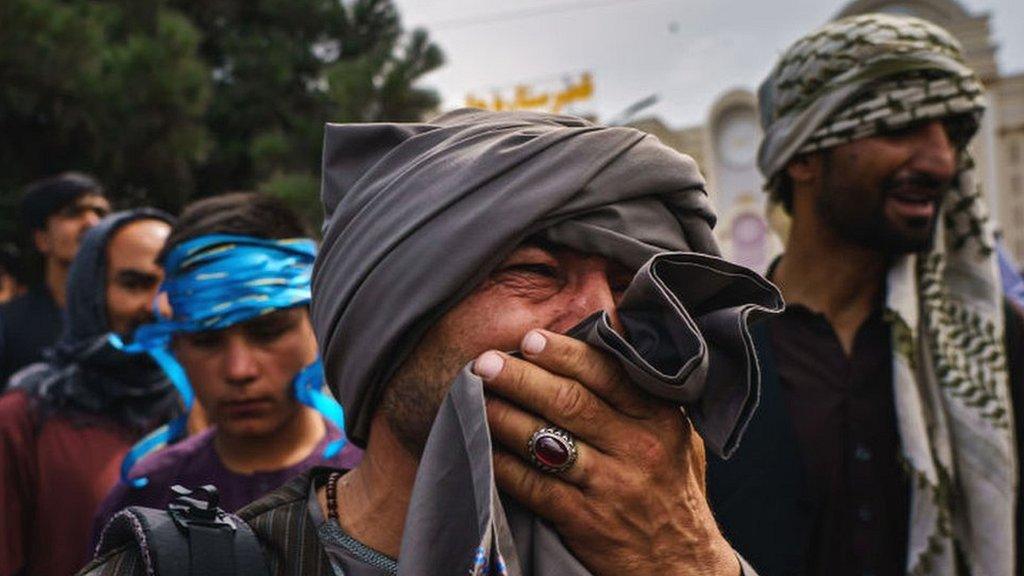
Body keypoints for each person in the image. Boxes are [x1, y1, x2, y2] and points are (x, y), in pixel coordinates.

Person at [84, 109, 783, 575]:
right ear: (393, 314)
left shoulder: (672, 553)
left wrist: (691, 557)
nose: (603, 319)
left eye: (634, 287)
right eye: (535, 273)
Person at [706, 13, 1023, 576]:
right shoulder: (711, 358)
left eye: (950, 135)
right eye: (901, 129)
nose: (941, 161)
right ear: (802, 155)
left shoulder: (996, 346)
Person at [91, 193, 361, 542]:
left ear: (319, 324)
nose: (239, 370)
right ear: (175, 346)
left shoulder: (384, 481)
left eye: (268, 333)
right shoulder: (144, 502)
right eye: (207, 340)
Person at [0, 209, 180, 576]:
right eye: (134, 283)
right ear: (90, 291)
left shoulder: (211, 409)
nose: (157, 307)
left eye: (174, 288)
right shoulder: (26, 417)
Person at [0, 173, 111, 385]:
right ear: (42, 239)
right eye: (73, 213)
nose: (92, 223)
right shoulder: (7, 326)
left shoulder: (136, 319)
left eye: (101, 213)